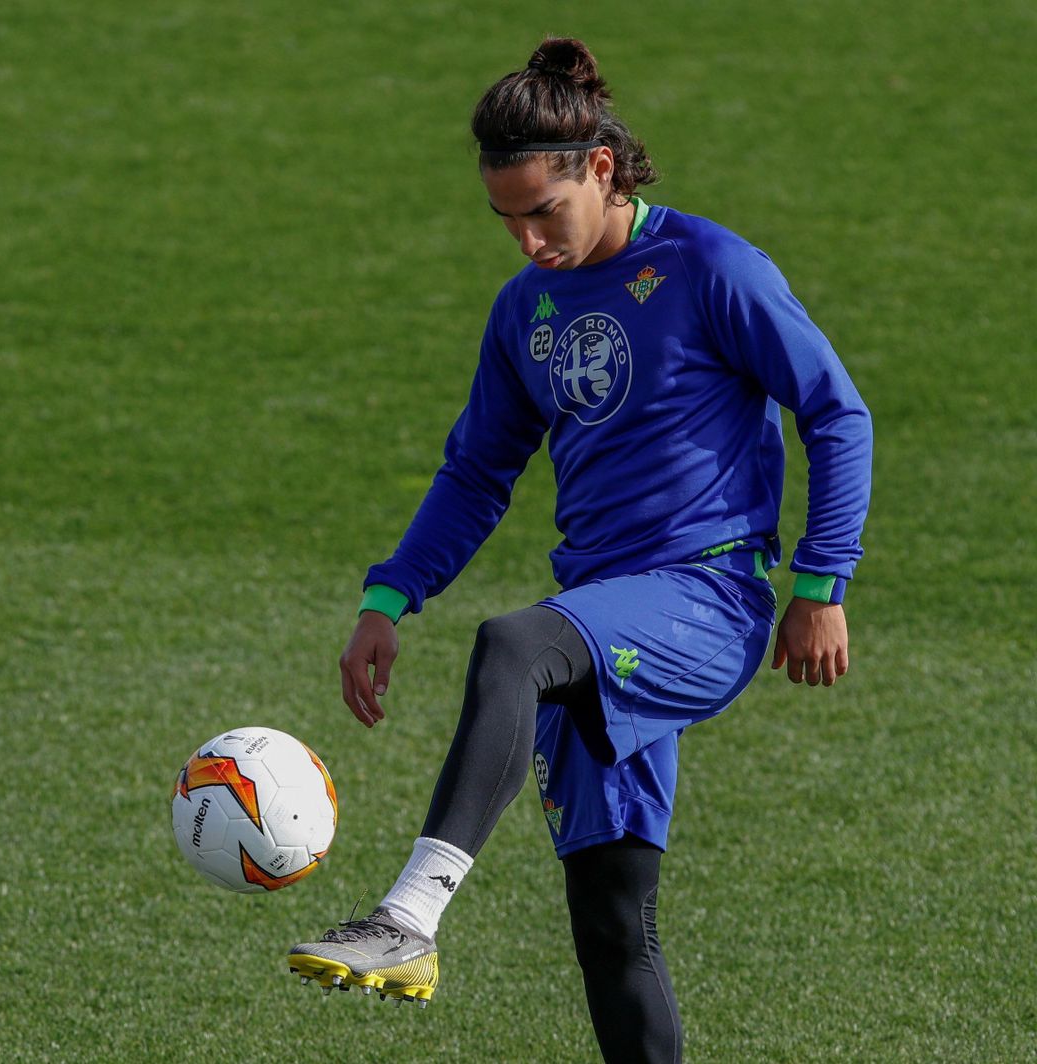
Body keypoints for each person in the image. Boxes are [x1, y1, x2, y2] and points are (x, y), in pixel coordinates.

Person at [285, 38, 871, 1062]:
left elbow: (835, 410)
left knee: (513, 645)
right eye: (504, 218)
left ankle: (408, 915)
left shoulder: (711, 269)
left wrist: (819, 582)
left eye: (541, 211)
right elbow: (476, 472)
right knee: (610, 921)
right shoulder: (525, 311)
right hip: (604, 616)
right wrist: (387, 598)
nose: (525, 241)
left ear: (599, 169)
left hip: (704, 596)